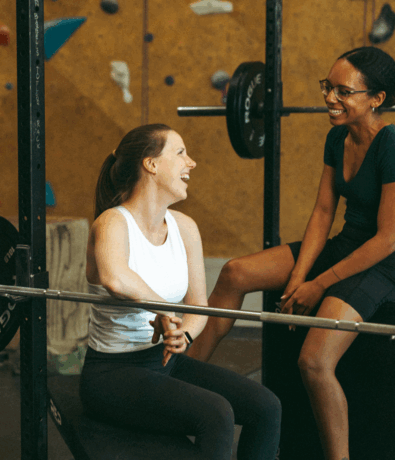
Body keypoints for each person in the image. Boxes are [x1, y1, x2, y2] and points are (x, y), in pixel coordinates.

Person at [187, 46, 395, 460]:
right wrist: (299, 277)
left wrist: (318, 284)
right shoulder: (338, 137)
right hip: (345, 246)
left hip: (382, 263)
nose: (330, 99)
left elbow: (388, 238)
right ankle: (176, 388)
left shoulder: (391, 146)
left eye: (343, 91)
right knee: (233, 274)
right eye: (328, 87)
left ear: (377, 99)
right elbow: (322, 213)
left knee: (314, 363)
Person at [79, 124, 281, 460]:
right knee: (217, 415)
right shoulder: (113, 223)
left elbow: (199, 305)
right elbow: (115, 277)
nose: (192, 162)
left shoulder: (185, 227)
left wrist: (184, 334)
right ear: (152, 164)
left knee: (266, 406)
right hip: (112, 374)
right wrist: (164, 311)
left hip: (165, 363)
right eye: (180, 152)